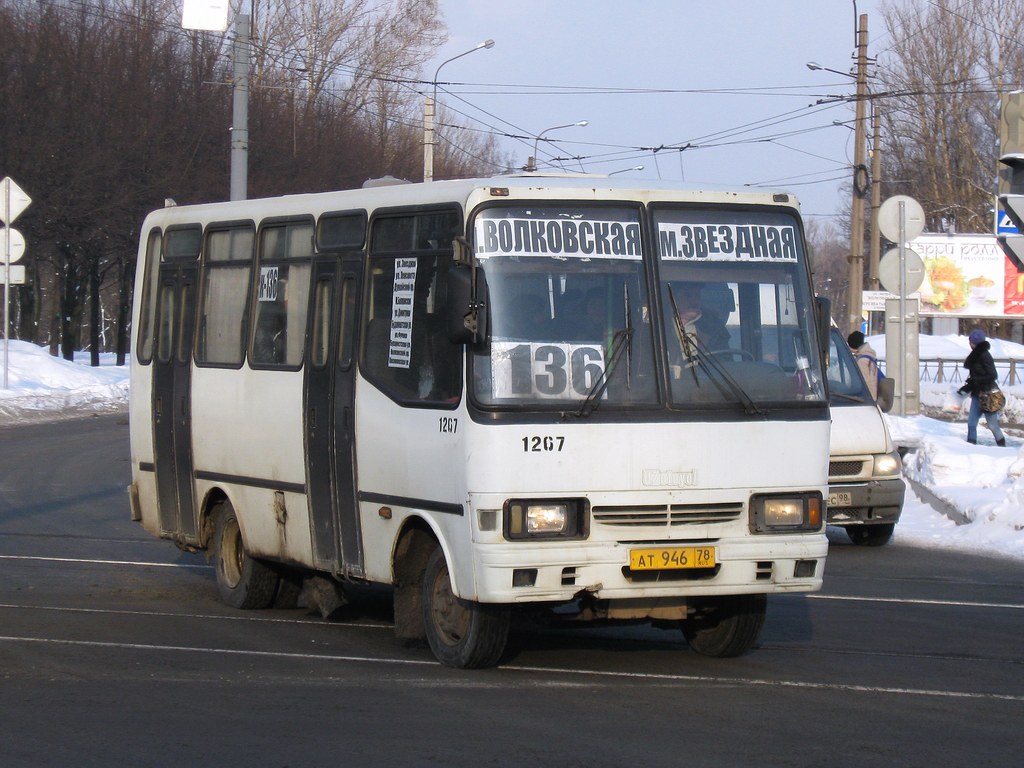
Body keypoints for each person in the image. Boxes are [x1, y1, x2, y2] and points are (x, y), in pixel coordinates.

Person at [958, 328, 1006, 446]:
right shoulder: (976, 355)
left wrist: (975, 381)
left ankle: (1003, 447)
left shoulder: (984, 355)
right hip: (977, 394)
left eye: (971, 342)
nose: (969, 344)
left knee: (992, 425)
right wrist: (968, 386)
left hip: (988, 395)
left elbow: (993, 375)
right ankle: (971, 446)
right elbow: (976, 376)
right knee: (972, 423)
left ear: (975, 343)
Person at [673, 282, 731, 351]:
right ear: (675, 299)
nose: (694, 301)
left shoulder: (715, 327)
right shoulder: (663, 326)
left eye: (697, 295)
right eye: (687, 295)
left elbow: (726, 359)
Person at [847, 330, 879, 399]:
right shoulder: (868, 357)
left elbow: (865, 383)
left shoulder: (862, 361)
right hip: (870, 399)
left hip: (865, 400)